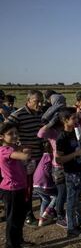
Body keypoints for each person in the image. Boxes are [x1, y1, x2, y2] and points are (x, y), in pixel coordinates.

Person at [7, 90, 44, 226]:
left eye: (41, 101)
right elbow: (5, 131)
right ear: (28, 101)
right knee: (27, 189)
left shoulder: (40, 114)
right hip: (26, 159)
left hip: (40, 156)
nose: (40, 104)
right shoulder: (18, 115)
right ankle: (28, 215)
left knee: (40, 185)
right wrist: (17, 148)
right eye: (36, 101)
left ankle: (44, 213)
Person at [55, 107, 81, 238]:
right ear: (65, 120)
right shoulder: (62, 137)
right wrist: (76, 154)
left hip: (80, 169)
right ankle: (71, 228)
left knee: (78, 198)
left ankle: (78, 221)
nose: (76, 120)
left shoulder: (75, 132)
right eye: (73, 118)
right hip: (71, 173)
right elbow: (58, 159)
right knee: (71, 200)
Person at [0, 122, 33, 248]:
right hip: (11, 189)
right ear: (1, 137)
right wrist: (23, 149)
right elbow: (25, 156)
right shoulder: (4, 150)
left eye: (16, 133)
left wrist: (20, 147)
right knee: (13, 219)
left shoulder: (12, 147)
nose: (14, 136)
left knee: (19, 218)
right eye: (10, 134)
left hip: (19, 187)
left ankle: (18, 242)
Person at [33, 141, 57, 227]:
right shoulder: (50, 156)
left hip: (36, 183)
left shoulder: (43, 157)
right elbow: (50, 171)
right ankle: (47, 212)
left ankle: (41, 219)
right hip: (44, 183)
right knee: (57, 196)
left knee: (45, 200)